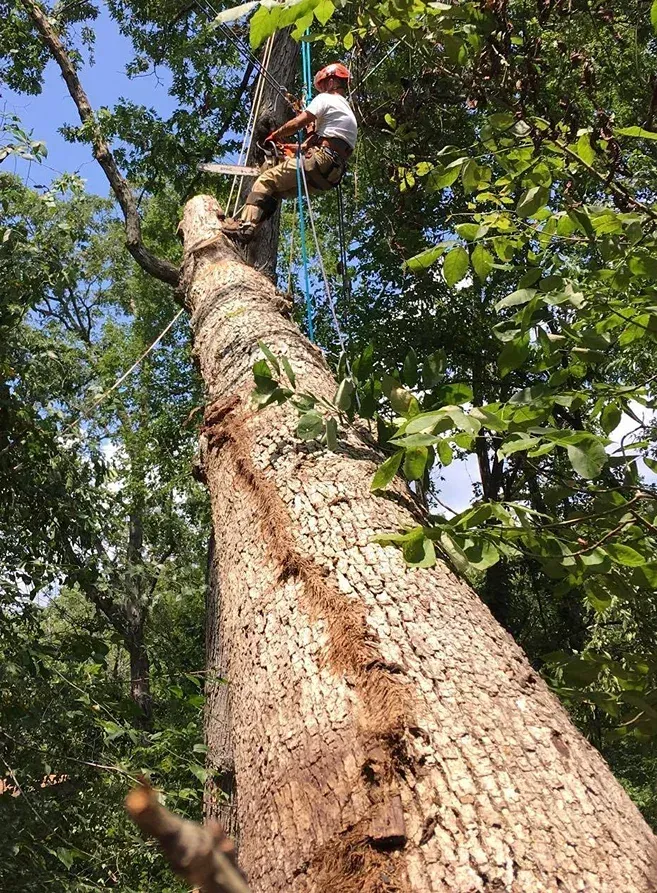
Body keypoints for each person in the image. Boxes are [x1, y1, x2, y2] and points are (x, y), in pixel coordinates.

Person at [221, 62, 357, 243]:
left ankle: (245, 225)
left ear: (332, 82)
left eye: (323, 84)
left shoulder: (326, 99)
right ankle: (251, 229)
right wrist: (288, 147)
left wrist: (275, 135)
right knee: (274, 192)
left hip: (321, 159)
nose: (321, 89)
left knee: (265, 180)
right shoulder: (345, 109)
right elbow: (313, 145)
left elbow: (298, 122)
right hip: (331, 173)